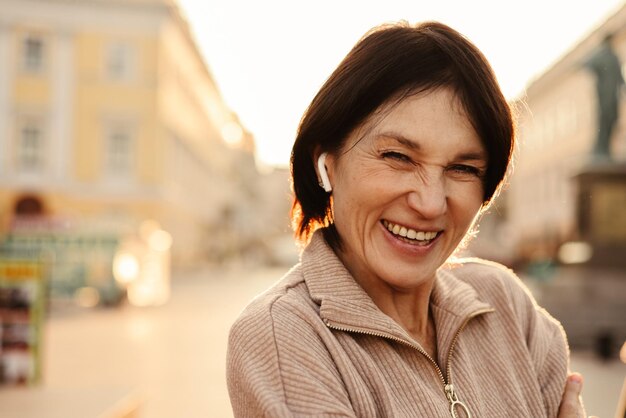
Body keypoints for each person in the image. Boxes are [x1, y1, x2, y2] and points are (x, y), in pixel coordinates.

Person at [227, 21, 589, 417]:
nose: (431, 203)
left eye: (463, 168)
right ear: (326, 162)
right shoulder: (285, 335)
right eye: (398, 157)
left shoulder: (506, 304)